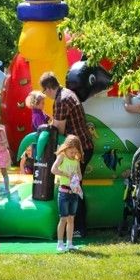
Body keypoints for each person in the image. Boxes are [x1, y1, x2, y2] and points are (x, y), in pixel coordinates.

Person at [40, 71, 93, 238]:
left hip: (79, 149)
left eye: (44, 91)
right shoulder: (68, 93)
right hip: (83, 145)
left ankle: (79, 227)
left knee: (75, 186)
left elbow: (59, 129)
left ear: (48, 88)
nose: (45, 95)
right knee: (75, 185)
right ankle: (77, 226)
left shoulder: (61, 100)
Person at [51, 135, 83, 252]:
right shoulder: (62, 156)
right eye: (71, 151)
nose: (73, 153)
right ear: (66, 148)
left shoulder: (76, 160)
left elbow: (80, 175)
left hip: (73, 193)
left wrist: (76, 177)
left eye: (75, 151)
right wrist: (66, 174)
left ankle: (69, 243)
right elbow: (53, 169)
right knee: (63, 218)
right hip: (63, 192)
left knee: (71, 218)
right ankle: (60, 243)